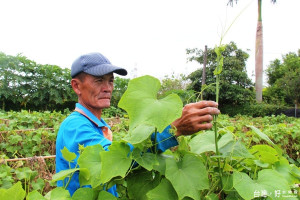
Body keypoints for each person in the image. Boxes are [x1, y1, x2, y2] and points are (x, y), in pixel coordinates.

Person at [55, 52, 220, 196]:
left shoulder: (97, 125)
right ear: (76, 86)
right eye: (99, 81)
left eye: (110, 81)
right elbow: (111, 160)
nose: (107, 88)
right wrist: (171, 129)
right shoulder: (75, 125)